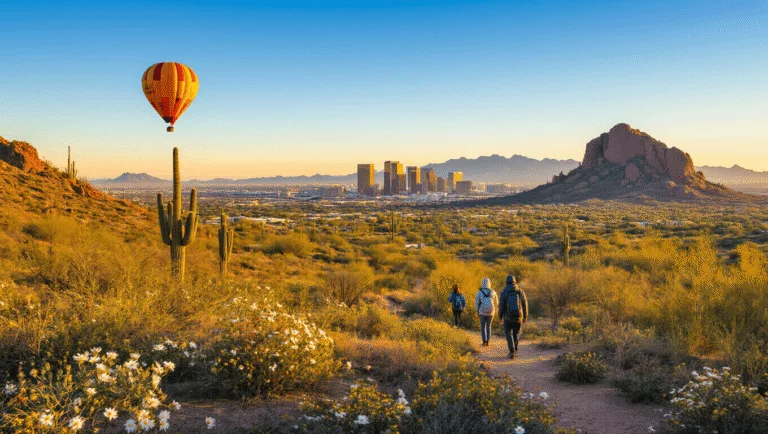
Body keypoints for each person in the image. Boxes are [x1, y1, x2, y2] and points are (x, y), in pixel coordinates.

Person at [498, 275, 528, 359]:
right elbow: (525, 303)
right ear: (515, 281)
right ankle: (515, 349)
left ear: (506, 282)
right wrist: (525, 316)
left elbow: (501, 306)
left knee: (508, 333)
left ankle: (512, 351)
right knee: (516, 332)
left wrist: (500, 317)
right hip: (518, 317)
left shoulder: (504, 292)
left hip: (507, 317)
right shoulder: (520, 291)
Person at [475, 278, 499, 347]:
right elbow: (497, 303)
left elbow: (477, 302)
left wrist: (477, 311)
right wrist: (496, 311)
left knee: (483, 327)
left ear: (482, 283)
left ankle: (484, 342)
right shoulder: (493, 292)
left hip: (482, 312)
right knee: (489, 326)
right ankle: (488, 341)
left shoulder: (479, 292)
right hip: (491, 312)